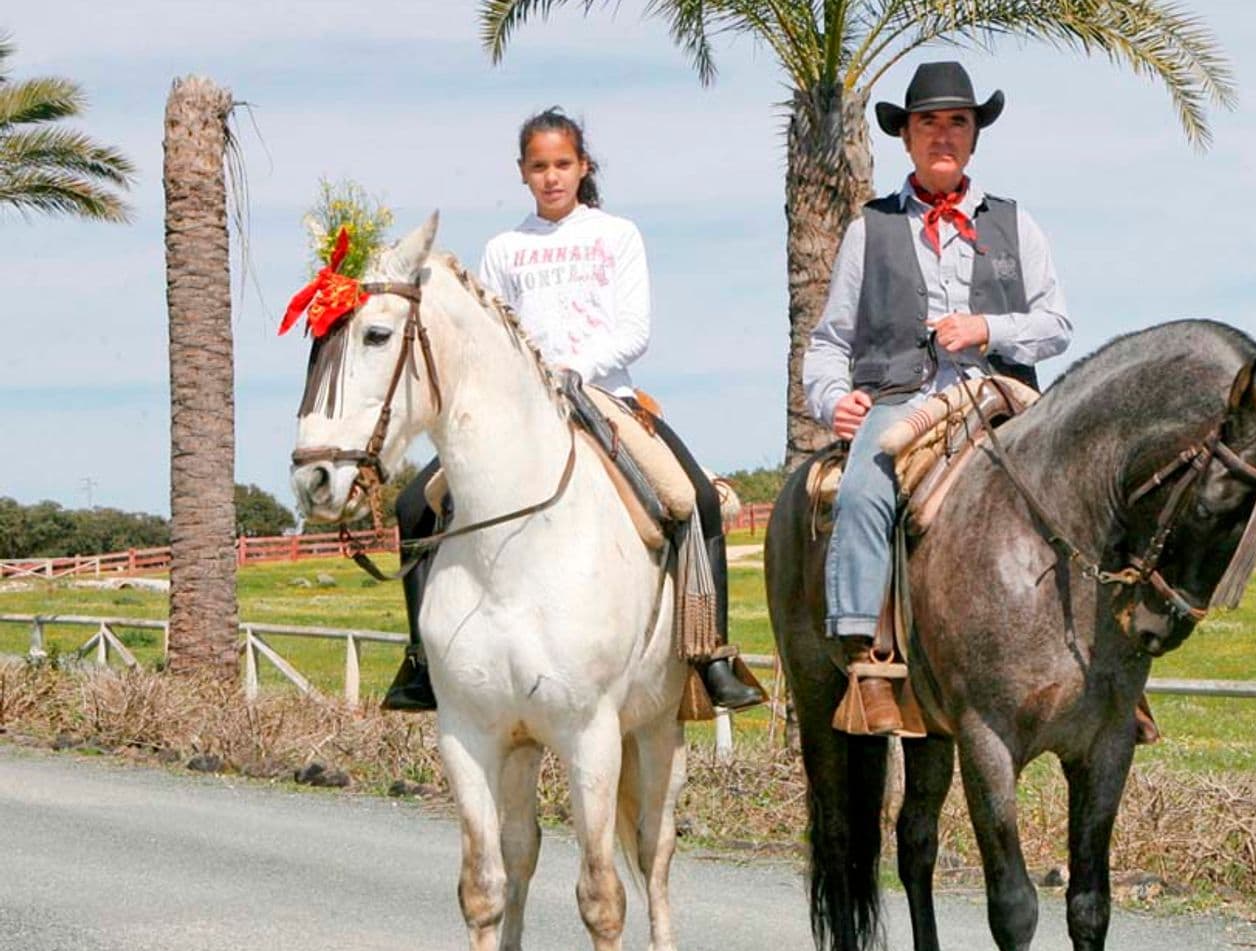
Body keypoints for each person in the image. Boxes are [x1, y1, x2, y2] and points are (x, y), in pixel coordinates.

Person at [383, 107, 763, 713]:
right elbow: (489, 336)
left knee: (695, 498)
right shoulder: (506, 248)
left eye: (563, 164)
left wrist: (576, 371)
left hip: (606, 394)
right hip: (524, 409)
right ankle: (421, 661)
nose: (552, 177)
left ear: (584, 167)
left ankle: (709, 652)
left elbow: (635, 329)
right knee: (412, 504)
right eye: (539, 166)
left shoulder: (616, 235)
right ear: (522, 173)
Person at [801, 62, 1073, 733]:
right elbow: (830, 339)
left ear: (975, 136)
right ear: (907, 138)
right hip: (905, 397)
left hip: (1001, 394)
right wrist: (832, 396)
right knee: (866, 483)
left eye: (958, 121)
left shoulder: (1017, 225)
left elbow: (1056, 325)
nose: (943, 135)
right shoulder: (871, 228)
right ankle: (865, 653)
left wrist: (988, 327)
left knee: (1080, 483)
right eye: (929, 122)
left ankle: (1104, 665)